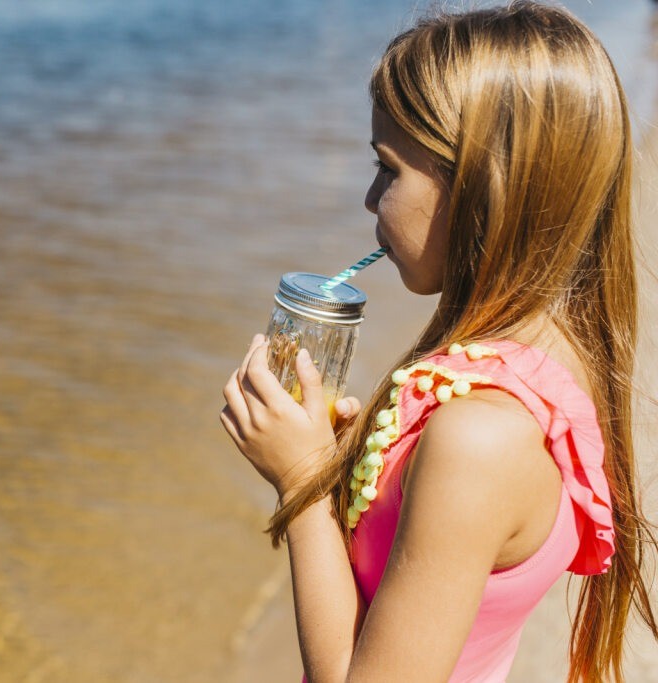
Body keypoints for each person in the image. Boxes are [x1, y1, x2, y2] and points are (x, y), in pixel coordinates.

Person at [219, 2, 658, 681]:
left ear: (488, 187)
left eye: (389, 169)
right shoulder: (543, 361)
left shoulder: (479, 438)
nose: (370, 199)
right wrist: (348, 462)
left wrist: (301, 484)